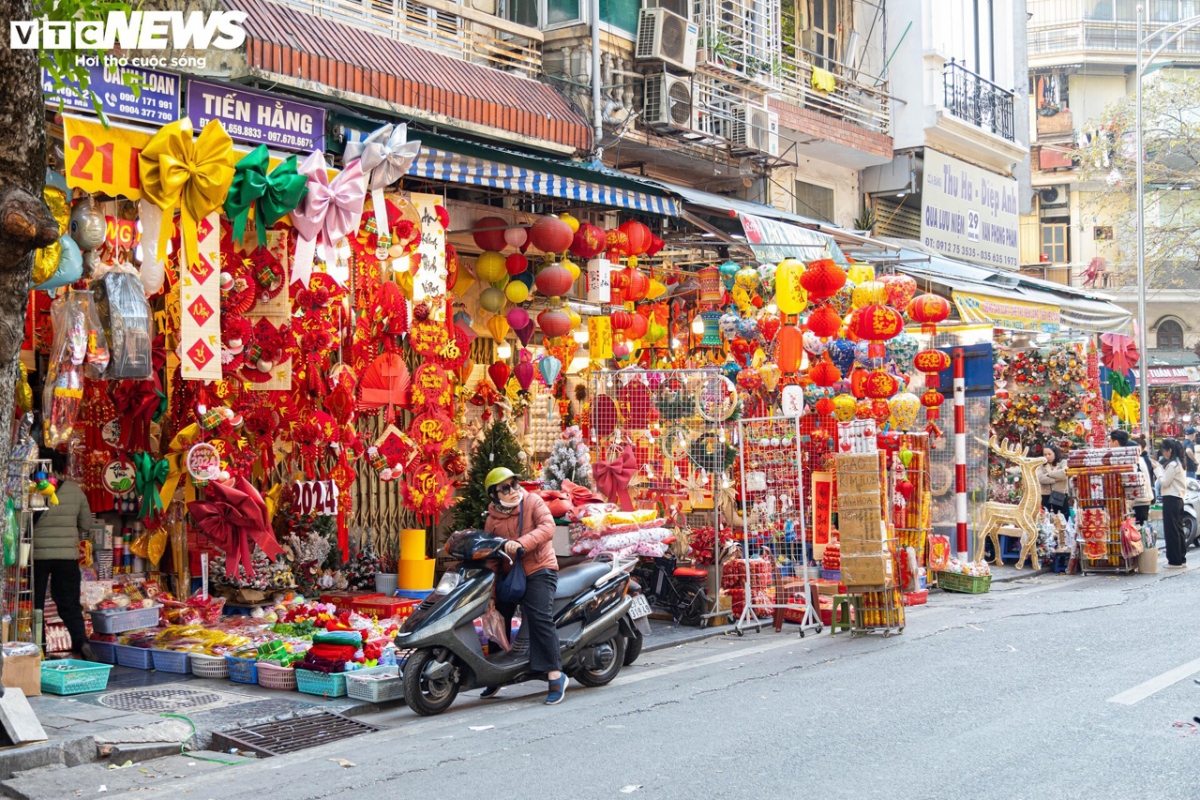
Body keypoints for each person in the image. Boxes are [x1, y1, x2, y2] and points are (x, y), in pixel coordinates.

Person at [480, 467, 566, 705]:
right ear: (494, 496)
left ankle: (555, 675)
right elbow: (492, 559)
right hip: (512, 577)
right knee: (498, 614)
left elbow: (548, 527)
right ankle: (496, 673)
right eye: (504, 488)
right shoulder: (492, 520)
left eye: (514, 485)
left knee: (539, 615)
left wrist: (521, 543)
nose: (512, 491)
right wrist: (492, 595)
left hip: (540, 568)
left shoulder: (533, 502)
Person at [33, 450, 94, 659]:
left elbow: (22, 525)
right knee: (69, 604)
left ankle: (39, 648)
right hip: (67, 557)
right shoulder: (75, 491)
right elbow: (86, 523)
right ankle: (81, 642)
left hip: (37, 557)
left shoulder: (33, 490)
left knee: (36, 604)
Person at [1110, 430, 1155, 524]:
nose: (1109, 444)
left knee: (1137, 531)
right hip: (1141, 500)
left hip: (1139, 501)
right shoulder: (1139, 459)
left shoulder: (1133, 460)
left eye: (1110, 441)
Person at [1158, 438, 1188, 567]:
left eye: (1164, 451)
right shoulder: (1179, 463)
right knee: (1178, 529)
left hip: (1171, 498)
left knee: (1171, 530)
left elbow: (1164, 482)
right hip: (1178, 499)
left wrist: (1157, 470)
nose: (1163, 453)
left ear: (1169, 450)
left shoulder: (1172, 465)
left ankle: (1174, 561)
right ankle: (1181, 558)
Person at [1037, 443, 1069, 517]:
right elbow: (1040, 478)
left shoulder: (1062, 463)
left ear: (1055, 453)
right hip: (1046, 496)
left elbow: (1064, 474)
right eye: (1045, 454)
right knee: (1047, 519)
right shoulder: (1041, 466)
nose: (1047, 456)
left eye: (1049, 454)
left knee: (1063, 520)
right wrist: (1056, 479)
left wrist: (1050, 473)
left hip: (1060, 496)